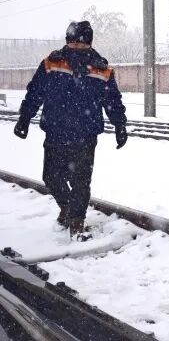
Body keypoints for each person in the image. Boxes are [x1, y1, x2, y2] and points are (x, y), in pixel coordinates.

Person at [14, 21, 127, 241]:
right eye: (74, 42)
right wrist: (25, 117)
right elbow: (35, 91)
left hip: (85, 135)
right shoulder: (52, 63)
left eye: (81, 43)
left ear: (89, 43)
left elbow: (112, 100)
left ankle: (76, 222)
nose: (77, 47)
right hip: (56, 131)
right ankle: (66, 207)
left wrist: (120, 124)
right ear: (68, 41)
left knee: (81, 180)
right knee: (50, 176)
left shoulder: (101, 69)